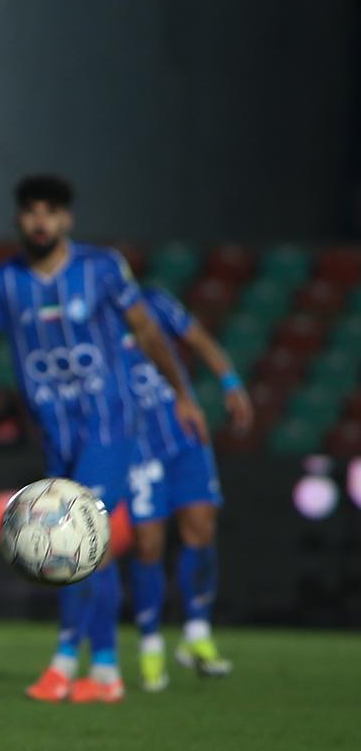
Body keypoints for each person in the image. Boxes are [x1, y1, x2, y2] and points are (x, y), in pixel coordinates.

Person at [0, 175, 208, 704]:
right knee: (86, 548)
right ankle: (101, 669)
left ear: (67, 219)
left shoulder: (101, 268)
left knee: (80, 537)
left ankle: (74, 664)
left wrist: (182, 394)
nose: (41, 221)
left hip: (109, 424)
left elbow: (148, 331)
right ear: (20, 218)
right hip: (56, 431)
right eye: (31, 211)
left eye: (50, 211)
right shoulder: (6, 281)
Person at [122, 287, 250, 691]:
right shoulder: (90, 319)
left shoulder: (152, 302)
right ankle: (150, 645)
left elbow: (199, 339)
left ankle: (197, 634)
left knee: (202, 525)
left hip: (183, 433)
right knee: (148, 543)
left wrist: (231, 383)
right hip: (135, 444)